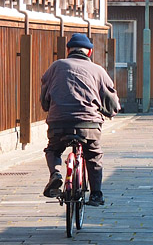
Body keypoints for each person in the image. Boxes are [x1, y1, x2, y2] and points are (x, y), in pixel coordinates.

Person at [40, 33, 120, 206]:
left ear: (68, 50)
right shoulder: (98, 70)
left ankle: (55, 174)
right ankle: (96, 194)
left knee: (53, 150)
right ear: (89, 52)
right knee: (93, 155)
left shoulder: (56, 66)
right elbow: (112, 101)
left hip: (58, 122)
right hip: (89, 124)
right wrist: (110, 112)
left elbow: (44, 98)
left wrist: (48, 107)